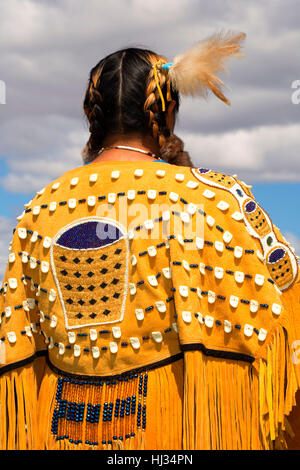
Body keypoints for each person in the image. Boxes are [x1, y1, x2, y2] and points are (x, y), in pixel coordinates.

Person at [0, 30, 300, 451]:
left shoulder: (40, 209)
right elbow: (285, 316)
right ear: (167, 112)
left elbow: (17, 351)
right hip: (181, 436)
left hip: (62, 433)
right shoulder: (213, 198)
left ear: (92, 114)